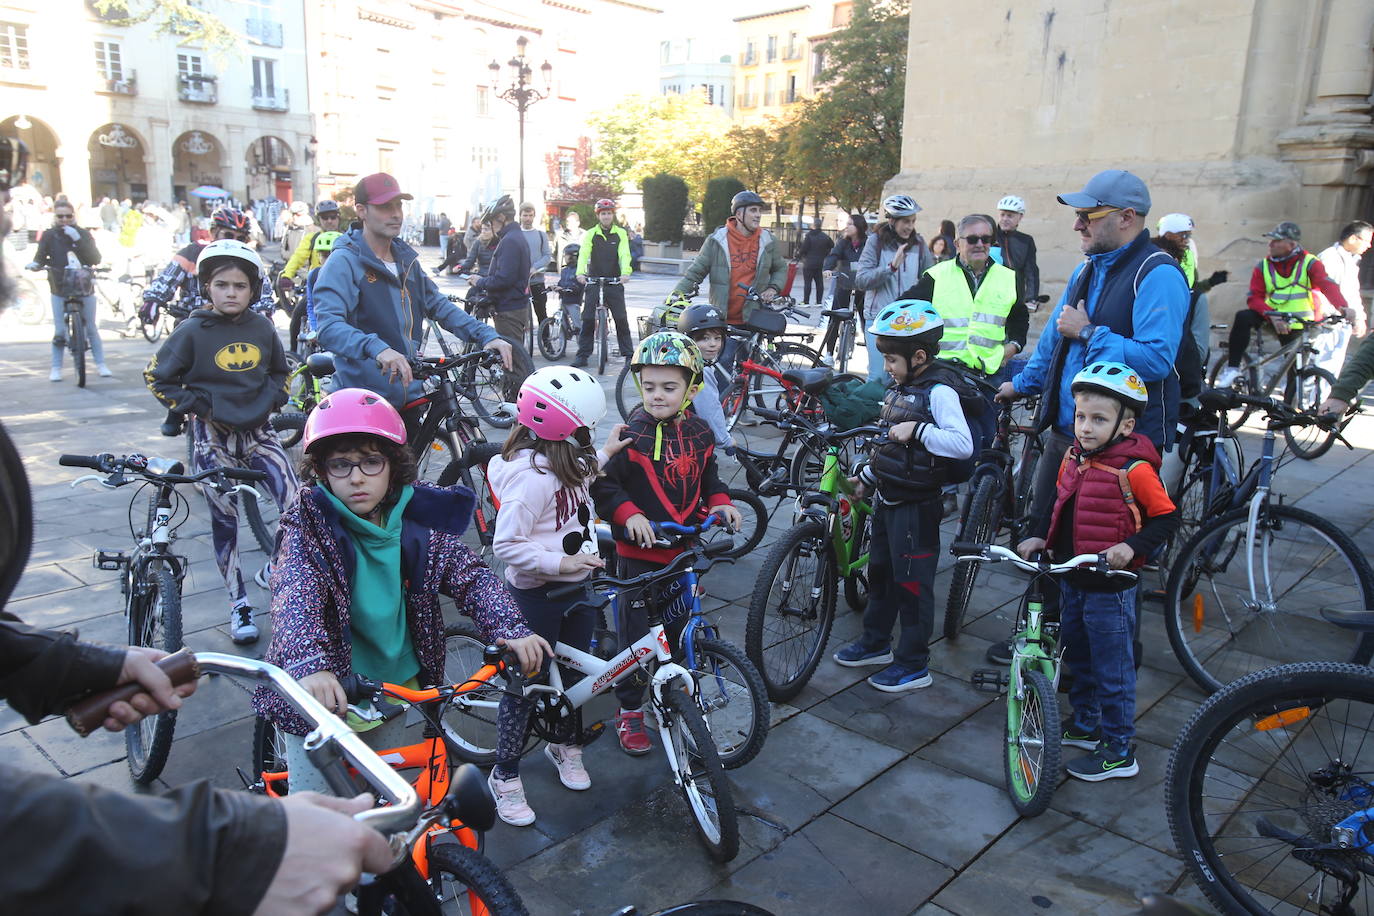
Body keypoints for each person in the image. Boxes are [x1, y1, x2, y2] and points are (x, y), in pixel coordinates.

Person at [251, 387, 550, 798]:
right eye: (340, 464)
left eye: (371, 462)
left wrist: (510, 627)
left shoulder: (416, 521)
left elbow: (470, 575)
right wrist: (309, 664)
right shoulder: (308, 529)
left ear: (393, 465)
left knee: (382, 798)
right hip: (325, 687)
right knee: (316, 808)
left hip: (391, 684)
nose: (357, 477)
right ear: (321, 471)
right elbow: (294, 596)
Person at [995, 170, 1188, 666]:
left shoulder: (1158, 273)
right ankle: (1042, 644)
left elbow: (1156, 359)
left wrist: (1090, 332)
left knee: (1109, 554)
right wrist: (1023, 384)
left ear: (1126, 218)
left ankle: (1112, 660)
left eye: (1089, 215)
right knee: (1047, 538)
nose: (1078, 224)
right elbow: (1055, 338)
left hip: (1123, 446)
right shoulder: (1088, 269)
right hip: (1069, 434)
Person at [1016, 362, 1179, 781]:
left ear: (1126, 426)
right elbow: (1058, 501)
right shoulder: (1074, 456)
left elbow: (1166, 518)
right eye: (1081, 417)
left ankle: (1119, 749)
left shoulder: (1135, 469)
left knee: (1113, 670)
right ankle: (1087, 723)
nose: (1085, 428)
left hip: (1111, 587)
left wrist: (1131, 547)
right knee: (1079, 656)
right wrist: (1040, 536)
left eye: (1099, 420)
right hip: (1073, 577)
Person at [486, 368, 631, 825]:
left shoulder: (565, 460)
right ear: (565, 432)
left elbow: (582, 476)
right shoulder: (532, 480)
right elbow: (506, 545)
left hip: (576, 588)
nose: (590, 440)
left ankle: (563, 744)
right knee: (525, 687)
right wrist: (561, 563)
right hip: (538, 595)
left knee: (571, 676)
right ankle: (504, 774)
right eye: (588, 432)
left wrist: (607, 453)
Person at [590, 331, 740, 754]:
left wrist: (721, 502)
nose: (657, 395)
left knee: (677, 628)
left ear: (691, 389)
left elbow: (709, 477)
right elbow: (605, 486)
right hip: (638, 556)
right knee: (636, 639)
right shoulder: (630, 434)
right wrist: (630, 515)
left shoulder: (701, 432)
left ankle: (669, 695)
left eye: (669, 387)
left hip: (682, 551)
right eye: (649, 386)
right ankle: (630, 709)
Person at [144, 240, 299, 644]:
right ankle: (238, 602)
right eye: (222, 284)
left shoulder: (262, 327)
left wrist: (273, 399)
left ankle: (274, 569)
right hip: (212, 437)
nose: (231, 292)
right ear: (206, 287)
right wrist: (198, 406)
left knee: (297, 506)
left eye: (240, 285)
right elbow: (156, 377)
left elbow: (280, 371)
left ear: (253, 289)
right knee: (225, 518)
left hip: (259, 432)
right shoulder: (191, 331)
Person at [831, 301, 973, 691]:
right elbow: (889, 445)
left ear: (919, 356)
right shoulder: (903, 388)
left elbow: (962, 445)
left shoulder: (939, 392)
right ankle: (876, 642)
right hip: (889, 499)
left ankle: (913, 663)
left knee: (912, 585)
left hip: (917, 507)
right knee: (880, 575)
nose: (887, 367)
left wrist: (919, 431)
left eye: (892, 359)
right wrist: (868, 476)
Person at [312, 173, 511, 428]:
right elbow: (329, 328)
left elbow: (437, 305)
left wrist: (485, 334)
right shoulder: (344, 262)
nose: (396, 214)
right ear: (361, 211)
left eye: (399, 205)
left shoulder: (405, 260)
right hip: (364, 404)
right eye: (385, 206)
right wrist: (378, 349)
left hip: (408, 396)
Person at [1214, 221, 1352, 388]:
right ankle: (1232, 369)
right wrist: (1271, 315)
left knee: (1295, 373)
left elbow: (1326, 284)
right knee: (1243, 317)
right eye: (1271, 240)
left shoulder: (1310, 262)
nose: (1270, 244)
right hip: (1273, 316)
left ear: (1291, 244)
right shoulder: (1264, 266)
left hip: (1300, 323)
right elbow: (1254, 298)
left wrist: (1343, 306)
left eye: (1276, 241)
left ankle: (1290, 402)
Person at [671, 190, 788, 330]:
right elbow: (695, 272)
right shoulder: (717, 240)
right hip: (721, 318)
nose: (758, 215)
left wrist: (773, 288)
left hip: (754, 318)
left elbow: (781, 268)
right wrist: (675, 298)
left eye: (759, 211)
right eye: (753, 210)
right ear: (738, 214)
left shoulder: (768, 240)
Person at [142, 207, 275, 323]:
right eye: (228, 235)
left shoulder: (249, 259)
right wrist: (152, 301)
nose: (234, 241)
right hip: (191, 323)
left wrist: (265, 312)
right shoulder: (192, 253)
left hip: (236, 325)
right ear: (212, 232)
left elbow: (262, 289)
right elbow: (166, 279)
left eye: (240, 238)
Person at [854, 194, 935, 382]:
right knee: (878, 378)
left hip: (908, 321)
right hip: (879, 320)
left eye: (913, 221)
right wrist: (890, 268)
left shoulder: (919, 244)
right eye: (905, 221)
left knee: (904, 378)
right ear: (891, 220)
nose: (910, 226)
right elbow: (862, 280)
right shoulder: (875, 242)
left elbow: (930, 279)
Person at [27, 199, 109, 380]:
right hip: (59, 285)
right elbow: (40, 256)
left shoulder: (83, 234)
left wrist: (77, 239)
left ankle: (101, 364)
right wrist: (36, 264)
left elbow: (95, 258)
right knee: (59, 330)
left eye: (68, 216)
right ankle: (56, 368)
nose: (64, 219)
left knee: (91, 327)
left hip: (83, 285)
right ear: (55, 217)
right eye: (60, 216)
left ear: (74, 216)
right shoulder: (49, 235)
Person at [572, 198, 633, 368]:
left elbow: (624, 254)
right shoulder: (591, 233)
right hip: (594, 280)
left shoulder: (620, 233)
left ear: (613, 215)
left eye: (609, 213)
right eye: (603, 214)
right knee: (587, 318)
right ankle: (582, 356)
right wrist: (580, 272)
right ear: (598, 216)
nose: (606, 216)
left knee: (621, 318)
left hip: (614, 281)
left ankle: (628, 354)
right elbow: (584, 253)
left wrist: (625, 273)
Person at [468, 194, 532, 352]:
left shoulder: (510, 240)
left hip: (509, 310)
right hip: (514, 306)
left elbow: (504, 279)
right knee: (511, 357)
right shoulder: (514, 237)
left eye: (491, 221)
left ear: (502, 217)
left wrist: (479, 281)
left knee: (513, 360)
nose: (491, 226)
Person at [1312, 220, 1372, 380]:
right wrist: (1331, 315)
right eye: (1366, 241)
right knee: (1320, 367)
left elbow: (1352, 293)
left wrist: (1360, 317)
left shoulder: (1352, 260)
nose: (1369, 246)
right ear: (1353, 238)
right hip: (1329, 322)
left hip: (1343, 321)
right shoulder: (1330, 257)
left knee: (1331, 368)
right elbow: (1324, 291)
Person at [677, 303, 735, 451]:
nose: (713, 344)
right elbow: (710, 410)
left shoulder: (681, 362)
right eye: (705, 339)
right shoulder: (700, 371)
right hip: (691, 441)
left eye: (717, 338)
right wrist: (725, 440)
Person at [821, 212, 869, 356]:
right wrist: (827, 268)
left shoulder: (868, 243)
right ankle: (829, 353)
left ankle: (871, 354)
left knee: (867, 319)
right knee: (835, 316)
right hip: (845, 282)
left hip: (862, 285)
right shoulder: (843, 243)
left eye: (850, 224)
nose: (846, 227)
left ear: (859, 227)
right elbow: (834, 256)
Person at [280, 199, 342, 287]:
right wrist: (287, 276)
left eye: (333, 217)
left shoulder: (347, 238)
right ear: (318, 219)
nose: (329, 221)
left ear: (338, 218)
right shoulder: (312, 238)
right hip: (316, 284)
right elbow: (298, 257)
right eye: (324, 217)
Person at [992, 194, 1041, 305]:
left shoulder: (1026, 240)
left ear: (1020, 216)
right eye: (1002, 215)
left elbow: (1031, 271)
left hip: (1016, 295)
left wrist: (1031, 298)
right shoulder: (990, 237)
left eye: (1010, 216)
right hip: (993, 294)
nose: (1005, 219)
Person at [298, 229, 343, 343]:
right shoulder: (313, 275)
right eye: (324, 256)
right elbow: (311, 305)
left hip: (343, 328)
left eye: (332, 255)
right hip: (322, 326)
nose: (328, 260)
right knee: (297, 315)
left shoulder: (350, 276)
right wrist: (314, 329)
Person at [519, 202, 552, 325]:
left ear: (534, 216)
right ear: (520, 216)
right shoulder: (516, 234)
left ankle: (545, 336)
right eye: (525, 215)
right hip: (519, 282)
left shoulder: (541, 235)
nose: (528, 218)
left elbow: (547, 256)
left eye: (530, 215)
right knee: (520, 316)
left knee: (542, 314)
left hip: (537, 281)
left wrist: (535, 267)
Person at [796, 220, 832, 305]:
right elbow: (832, 245)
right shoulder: (825, 236)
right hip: (820, 262)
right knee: (819, 282)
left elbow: (804, 249)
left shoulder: (809, 236)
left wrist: (799, 256)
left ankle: (806, 301)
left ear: (813, 225)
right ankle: (819, 302)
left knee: (808, 283)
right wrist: (825, 253)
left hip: (809, 262)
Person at [555, 242, 584, 333]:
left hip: (573, 300)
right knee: (561, 322)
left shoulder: (579, 271)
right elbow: (561, 281)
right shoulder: (565, 270)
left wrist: (571, 288)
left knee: (577, 324)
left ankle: (580, 336)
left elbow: (579, 285)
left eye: (567, 255)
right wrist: (556, 286)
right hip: (563, 299)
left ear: (574, 257)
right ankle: (562, 337)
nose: (565, 258)